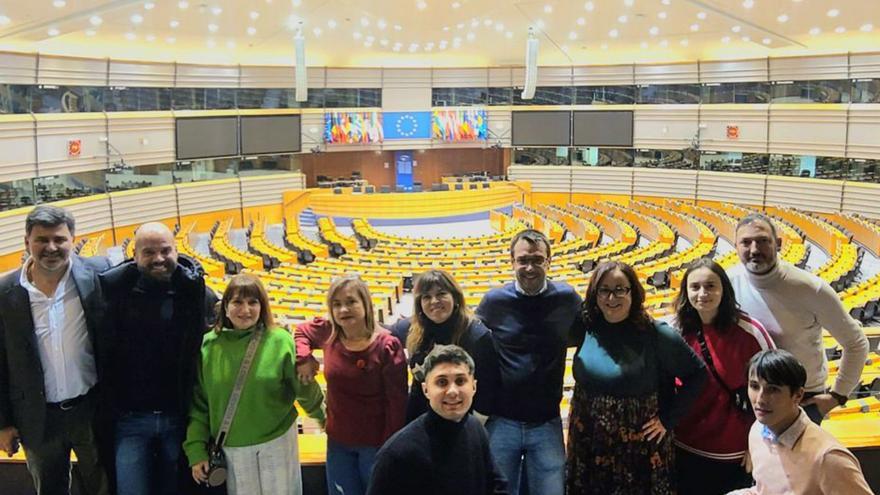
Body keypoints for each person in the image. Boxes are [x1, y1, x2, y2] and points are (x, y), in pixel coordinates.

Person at [566, 260, 707, 495]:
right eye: (604, 290)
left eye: (620, 289)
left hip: (635, 450)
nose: (612, 298)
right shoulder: (587, 324)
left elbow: (697, 374)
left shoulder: (657, 333)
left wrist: (667, 419)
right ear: (595, 295)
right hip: (587, 440)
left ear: (633, 292)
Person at [0, 205, 111, 495]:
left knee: (101, 486)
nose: (51, 247)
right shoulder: (4, 293)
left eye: (59, 239)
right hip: (37, 417)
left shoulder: (99, 276)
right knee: (49, 489)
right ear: (27, 243)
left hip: (91, 409)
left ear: (73, 239)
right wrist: (3, 422)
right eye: (42, 240)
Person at [99, 222, 217, 495]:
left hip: (179, 416)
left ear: (177, 251)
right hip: (130, 419)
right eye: (149, 252)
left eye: (165, 251)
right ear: (135, 255)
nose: (159, 259)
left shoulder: (198, 294)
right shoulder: (113, 294)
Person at [184, 273, 325, 494]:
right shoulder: (208, 347)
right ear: (225, 306)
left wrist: (324, 418)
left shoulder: (279, 340)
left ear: (263, 306)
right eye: (238, 302)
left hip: (277, 444)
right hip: (232, 449)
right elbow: (200, 405)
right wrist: (196, 450)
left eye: (253, 302)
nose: (245, 310)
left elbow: (304, 388)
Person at [729, 213, 869, 423]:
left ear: (778, 243)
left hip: (801, 400)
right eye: (746, 242)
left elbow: (856, 343)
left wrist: (838, 395)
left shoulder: (812, 288)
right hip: (750, 396)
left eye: (763, 241)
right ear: (736, 246)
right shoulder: (727, 283)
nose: (754, 250)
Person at [475, 229, 582, 495]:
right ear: (512, 262)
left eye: (537, 259)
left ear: (549, 261)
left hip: (546, 421)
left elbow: (587, 335)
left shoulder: (567, 299)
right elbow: (471, 342)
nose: (530, 267)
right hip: (501, 422)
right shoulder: (493, 302)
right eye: (523, 260)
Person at [295, 274, 408, 495]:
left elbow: (396, 403)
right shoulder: (328, 332)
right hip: (338, 443)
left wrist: (389, 449)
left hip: (376, 445)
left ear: (365, 304)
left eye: (351, 302)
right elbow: (301, 332)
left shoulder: (387, 346)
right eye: (336, 304)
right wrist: (303, 358)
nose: (343, 310)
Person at [672, 258, 775, 495]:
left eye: (710, 286)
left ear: (724, 290)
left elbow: (776, 387)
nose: (702, 293)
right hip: (684, 448)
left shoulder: (751, 332)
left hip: (734, 455)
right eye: (695, 287)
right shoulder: (677, 332)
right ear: (685, 292)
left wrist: (761, 443)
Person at [367, 344, 508, 495]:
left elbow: (496, 484)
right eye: (442, 382)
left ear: (473, 387)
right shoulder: (397, 454)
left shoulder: (476, 429)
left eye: (460, 381)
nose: (453, 391)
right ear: (426, 389)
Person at [728, 349, 873, 495]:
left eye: (773, 389)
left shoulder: (828, 458)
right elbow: (764, 489)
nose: (760, 399)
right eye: (754, 386)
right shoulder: (757, 431)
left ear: (797, 395)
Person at [390, 269, 500, 422]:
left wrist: (475, 427)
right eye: (426, 297)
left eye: (441, 294)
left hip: (461, 420)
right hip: (420, 419)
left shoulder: (477, 335)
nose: (434, 301)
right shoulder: (412, 328)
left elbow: (489, 389)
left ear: (455, 298)